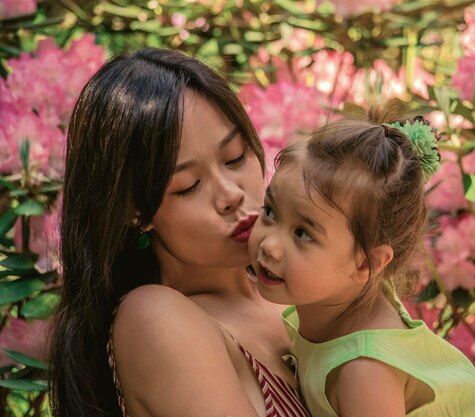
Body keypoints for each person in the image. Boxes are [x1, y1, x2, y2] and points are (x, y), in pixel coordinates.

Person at [49, 48, 310, 417]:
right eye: (188, 185)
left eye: (235, 157)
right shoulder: (155, 318)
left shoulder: (301, 290)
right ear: (134, 211)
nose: (231, 195)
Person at [247, 103, 475, 417]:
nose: (270, 245)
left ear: (367, 264)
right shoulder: (338, 304)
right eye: (269, 212)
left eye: (303, 234)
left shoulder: (364, 371)